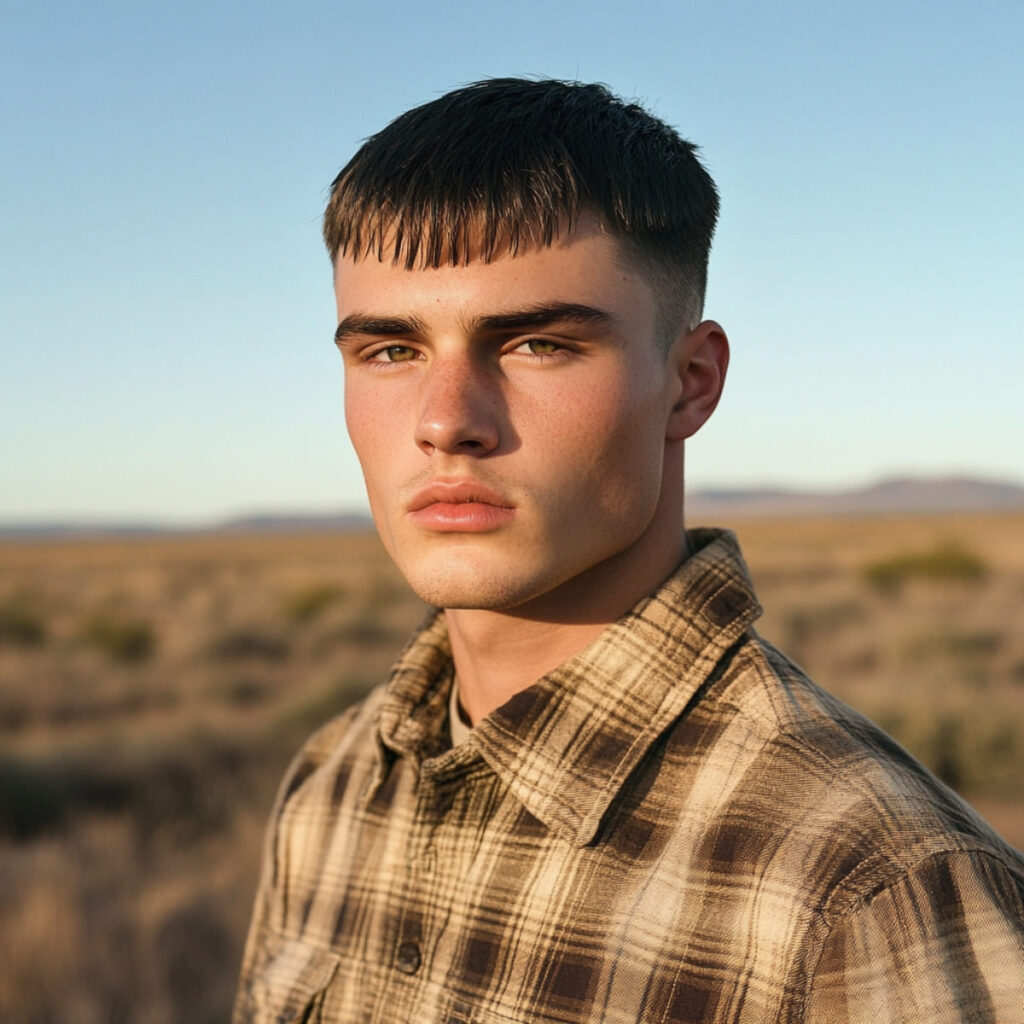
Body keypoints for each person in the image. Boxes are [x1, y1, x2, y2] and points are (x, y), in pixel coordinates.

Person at [233, 79, 1024, 1023]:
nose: (446, 422)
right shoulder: (337, 780)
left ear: (691, 383)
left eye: (535, 344)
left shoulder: (869, 885)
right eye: (391, 352)